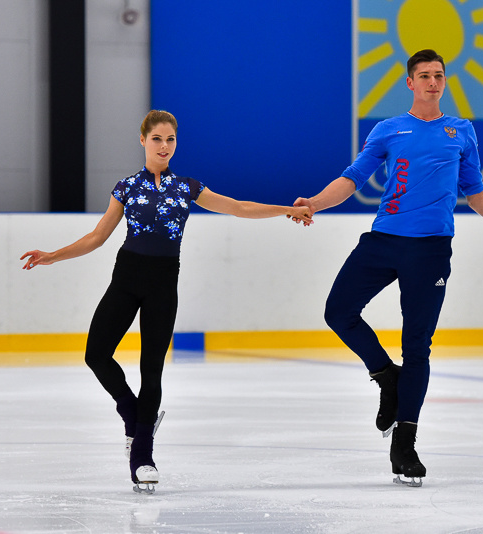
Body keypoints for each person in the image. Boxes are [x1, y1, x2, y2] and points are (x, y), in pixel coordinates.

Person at [293, 49, 483, 487]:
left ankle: (406, 443)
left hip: (432, 250)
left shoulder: (461, 131)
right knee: (337, 311)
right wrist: (315, 204)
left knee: (417, 344)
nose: (433, 82)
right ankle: (386, 378)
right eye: (424, 76)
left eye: (439, 75)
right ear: (410, 83)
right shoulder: (388, 129)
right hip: (383, 241)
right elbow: (353, 178)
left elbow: (476, 196)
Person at [21, 110, 312, 493]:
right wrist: (52, 255)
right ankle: (132, 412)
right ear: (143, 140)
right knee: (96, 354)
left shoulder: (187, 187)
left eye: (170, 139)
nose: (164, 146)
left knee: (151, 370)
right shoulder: (126, 188)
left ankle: (142, 455)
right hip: (126, 278)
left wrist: (288, 209)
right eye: (157, 139)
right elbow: (97, 237)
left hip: (163, 282)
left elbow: (238, 207)